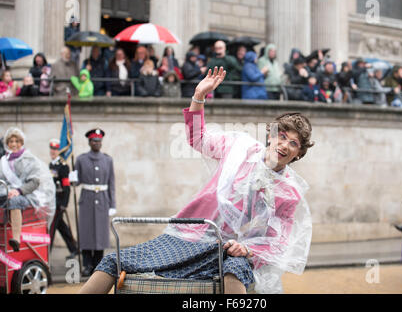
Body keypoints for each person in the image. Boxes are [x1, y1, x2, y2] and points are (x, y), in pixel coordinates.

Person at [78, 66, 313, 294]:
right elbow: (198, 139)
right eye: (282, 136)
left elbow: (277, 242)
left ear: (299, 154)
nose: (284, 145)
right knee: (113, 261)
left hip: (231, 251)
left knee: (235, 271)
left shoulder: (290, 193)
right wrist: (199, 96)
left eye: (293, 143)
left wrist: (247, 249)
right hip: (191, 236)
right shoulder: (239, 146)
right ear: (271, 135)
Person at [0, 127, 55, 251]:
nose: (14, 144)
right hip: (6, 193)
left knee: (15, 201)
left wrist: (18, 191)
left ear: (21, 143)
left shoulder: (29, 159)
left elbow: (35, 182)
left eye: (17, 141)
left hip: (27, 194)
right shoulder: (3, 161)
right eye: (11, 141)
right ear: (7, 143)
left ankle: (16, 239)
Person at [73, 128, 116, 276]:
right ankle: (86, 264)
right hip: (87, 199)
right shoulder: (81, 159)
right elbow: (76, 182)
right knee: (86, 233)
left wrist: (113, 204)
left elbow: (112, 183)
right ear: (89, 142)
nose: (96, 143)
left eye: (98, 141)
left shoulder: (108, 160)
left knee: (101, 233)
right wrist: (72, 179)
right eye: (94, 141)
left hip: (103, 200)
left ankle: (98, 264)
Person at [48, 139, 77, 260]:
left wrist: (64, 203)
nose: (53, 151)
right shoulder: (51, 164)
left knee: (52, 227)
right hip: (52, 201)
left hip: (59, 203)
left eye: (55, 149)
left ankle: (47, 253)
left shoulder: (63, 166)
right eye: (52, 148)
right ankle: (74, 249)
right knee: (61, 227)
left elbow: (67, 187)